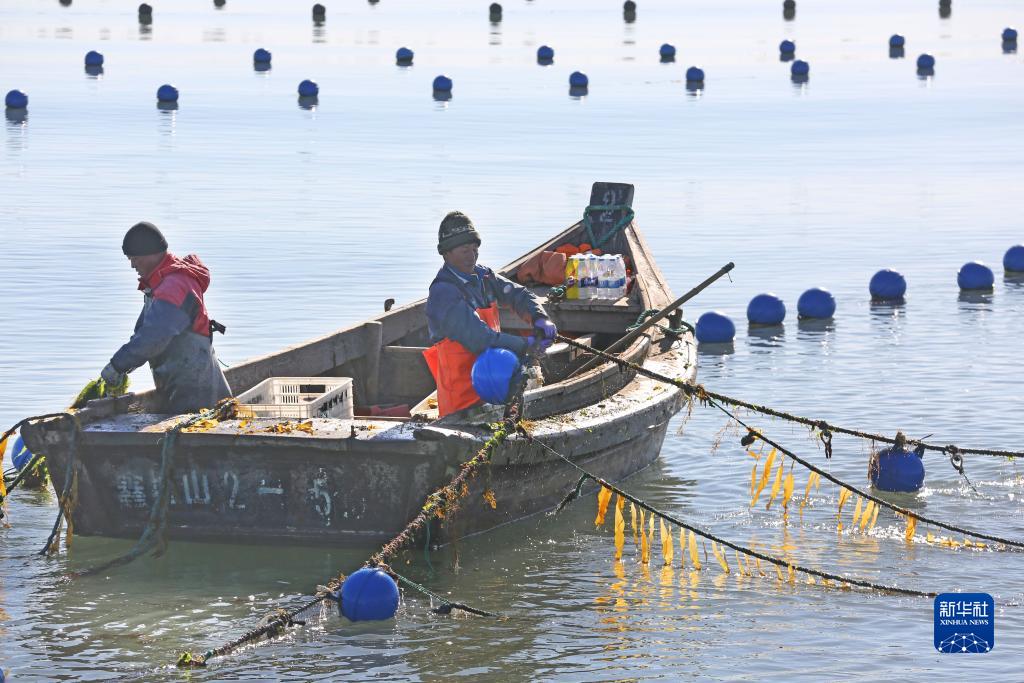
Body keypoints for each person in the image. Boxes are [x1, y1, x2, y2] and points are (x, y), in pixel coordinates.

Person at [424, 211, 557, 416]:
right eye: (464, 250)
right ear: (446, 253)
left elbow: (517, 294)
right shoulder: (443, 293)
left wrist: (540, 318)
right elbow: (480, 339)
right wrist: (527, 346)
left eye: (475, 248)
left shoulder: (484, 276)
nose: (472, 255)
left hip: (496, 390)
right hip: (461, 403)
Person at [100, 222, 232, 413]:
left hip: (199, 399)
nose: (132, 265)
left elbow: (153, 338)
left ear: (150, 254)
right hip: (180, 393)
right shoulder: (158, 285)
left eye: (134, 258)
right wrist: (122, 367)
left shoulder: (174, 286)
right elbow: (141, 333)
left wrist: (118, 365)